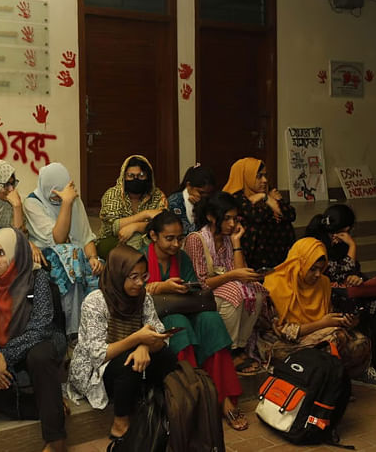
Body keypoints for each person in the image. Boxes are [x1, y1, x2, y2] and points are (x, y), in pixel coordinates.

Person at [0, 228, 68, 452]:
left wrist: (4, 356)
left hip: (38, 342)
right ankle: (44, 407)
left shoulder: (36, 279)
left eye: (1, 253)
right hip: (0, 349)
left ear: (17, 253)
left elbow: (40, 327)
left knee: (40, 354)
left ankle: (56, 439)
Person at [142, 210, 248, 431]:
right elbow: (131, 294)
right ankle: (191, 398)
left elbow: (194, 290)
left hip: (185, 309)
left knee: (211, 320)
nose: (175, 244)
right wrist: (161, 287)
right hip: (154, 319)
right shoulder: (140, 258)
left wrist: (179, 288)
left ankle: (224, 397)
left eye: (179, 238)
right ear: (154, 236)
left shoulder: (181, 257)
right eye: (169, 238)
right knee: (179, 324)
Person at [66, 245, 177, 448]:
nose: (139, 283)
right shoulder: (95, 302)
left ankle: (162, 409)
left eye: (143, 276)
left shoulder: (144, 297)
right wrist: (137, 339)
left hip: (131, 357)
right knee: (129, 363)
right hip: (96, 369)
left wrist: (143, 344)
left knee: (166, 355)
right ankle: (120, 423)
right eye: (132, 277)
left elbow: (159, 333)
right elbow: (99, 354)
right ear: (117, 274)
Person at [305, 205, 376, 390]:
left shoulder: (339, 241)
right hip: (321, 290)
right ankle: (364, 366)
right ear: (344, 229)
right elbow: (331, 272)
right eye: (347, 231)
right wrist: (352, 246)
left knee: (373, 299)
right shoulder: (317, 242)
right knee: (354, 303)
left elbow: (351, 270)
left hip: (340, 287)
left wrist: (355, 278)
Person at [261, 238, 372, 379]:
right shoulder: (275, 284)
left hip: (317, 334)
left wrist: (346, 321)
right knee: (334, 339)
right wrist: (323, 324)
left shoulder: (323, 283)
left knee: (360, 342)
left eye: (321, 269)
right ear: (298, 264)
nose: (318, 274)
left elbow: (328, 315)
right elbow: (282, 332)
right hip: (283, 343)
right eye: (312, 269)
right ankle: (322, 387)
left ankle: (337, 383)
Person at [183, 191, 267, 374]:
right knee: (235, 292)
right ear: (211, 217)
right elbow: (201, 283)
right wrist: (232, 276)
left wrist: (236, 243)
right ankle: (229, 350)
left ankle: (239, 347)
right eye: (227, 218)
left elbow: (241, 275)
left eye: (235, 219)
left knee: (257, 290)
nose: (232, 224)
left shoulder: (229, 239)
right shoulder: (196, 240)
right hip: (201, 297)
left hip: (225, 288)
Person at [23, 162, 104, 336]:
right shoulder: (32, 202)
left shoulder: (74, 200)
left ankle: (95, 331)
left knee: (98, 269)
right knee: (70, 258)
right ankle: (73, 332)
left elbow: (86, 237)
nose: (58, 200)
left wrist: (93, 258)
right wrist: (66, 203)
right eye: (54, 196)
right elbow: (58, 239)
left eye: (62, 196)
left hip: (75, 257)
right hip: (48, 258)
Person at [223, 157, 295, 270]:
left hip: (276, 255)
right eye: (259, 176)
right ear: (246, 177)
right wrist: (269, 201)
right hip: (251, 258)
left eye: (265, 175)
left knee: (285, 224)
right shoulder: (234, 197)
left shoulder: (268, 192)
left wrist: (265, 198)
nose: (265, 180)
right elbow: (256, 216)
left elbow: (290, 214)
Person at [97, 155, 167, 259]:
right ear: (123, 176)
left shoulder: (157, 196)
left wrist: (135, 227)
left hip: (150, 238)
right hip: (113, 239)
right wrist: (145, 214)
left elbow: (164, 224)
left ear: (148, 177)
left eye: (141, 175)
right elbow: (114, 227)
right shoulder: (113, 194)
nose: (136, 179)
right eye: (130, 175)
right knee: (136, 241)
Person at [167, 163, 216, 234]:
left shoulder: (212, 200)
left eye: (208, 193)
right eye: (201, 192)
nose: (205, 196)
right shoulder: (175, 201)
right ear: (188, 186)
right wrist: (200, 209)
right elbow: (185, 232)